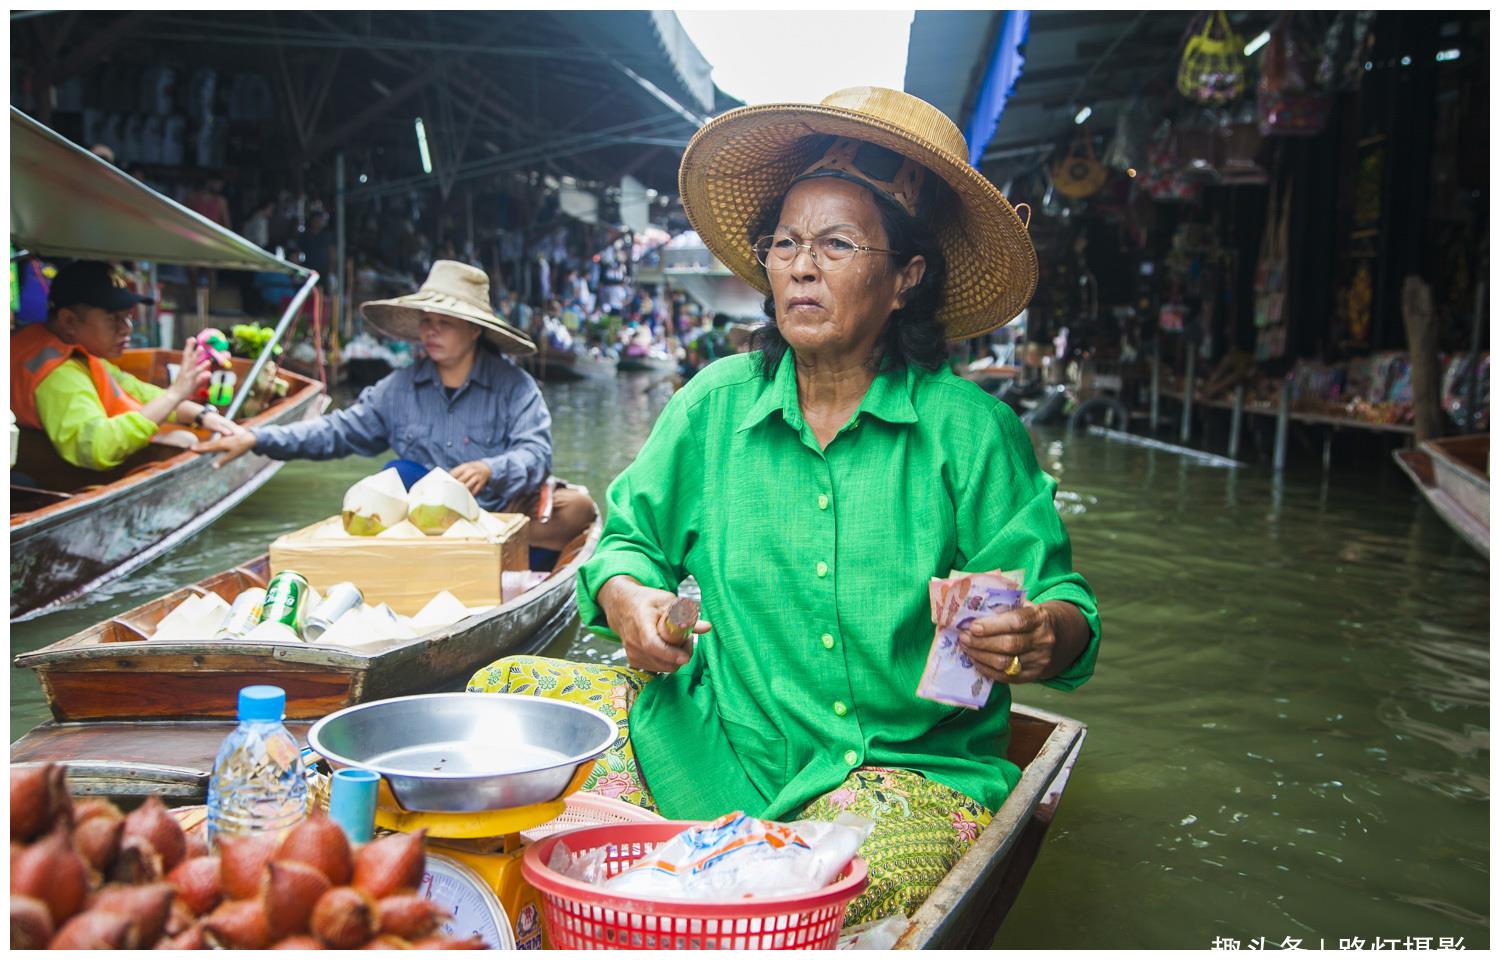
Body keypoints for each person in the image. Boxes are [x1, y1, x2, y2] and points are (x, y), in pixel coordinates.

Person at [466, 87, 1100, 923]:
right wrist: (633, 605)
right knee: (498, 687)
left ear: (906, 276)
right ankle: (683, 861)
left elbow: (1066, 612)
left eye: (837, 243)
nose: (802, 265)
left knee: (803, 890)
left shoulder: (971, 432)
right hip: (720, 731)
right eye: (786, 243)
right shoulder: (714, 405)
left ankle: (688, 877)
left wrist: (1036, 634)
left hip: (898, 771)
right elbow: (624, 545)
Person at [193, 260, 598, 567]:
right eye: (427, 322)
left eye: (445, 323)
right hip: (426, 526)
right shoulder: (398, 389)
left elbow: (535, 454)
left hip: (501, 514)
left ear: (474, 330)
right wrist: (257, 438)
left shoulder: (514, 387)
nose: (431, 332)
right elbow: (336, 431)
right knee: (397, 475)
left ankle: (507, 564)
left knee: (578, 510)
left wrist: (489, 469)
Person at [10, 261, 240, 470]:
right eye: (112, 318)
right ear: (68, 321)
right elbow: (96, 448)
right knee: (183, 441)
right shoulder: (61, 374)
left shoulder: (74, 354)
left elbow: (137, 391)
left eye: (127, 316)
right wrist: (175, 394)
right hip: (59, 479)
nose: (127, 328)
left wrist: (202, 414)